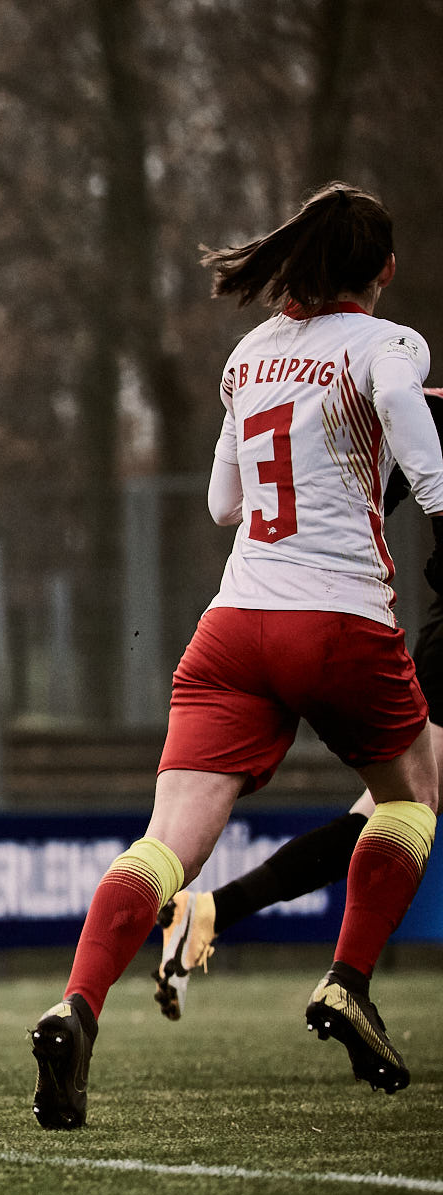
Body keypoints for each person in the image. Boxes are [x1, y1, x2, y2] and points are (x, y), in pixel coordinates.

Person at [30, 182, 442, 1130]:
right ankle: (347, 980)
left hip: (232, 625)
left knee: (166, 845)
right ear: (382, 269)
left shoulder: (250, 353)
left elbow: (226, 507)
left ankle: (78, 1003)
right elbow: (418, 454)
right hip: (338, 621)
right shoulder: (390, 345)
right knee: (413, 798)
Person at [154, 390, 443, 1019]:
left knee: (387, 814)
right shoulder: (411, 399)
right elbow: (361, 486)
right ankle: (337, 979)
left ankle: (212, 912)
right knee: (399, 809)